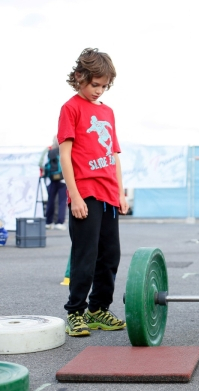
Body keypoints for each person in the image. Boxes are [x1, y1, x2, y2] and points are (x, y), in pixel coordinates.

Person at [58, 48, 128, 337]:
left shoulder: (107, 112)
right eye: (94, 84)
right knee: (85, 256)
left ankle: (98, 309)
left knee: (110, 255)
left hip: (109, 194)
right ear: (79, 77)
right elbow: (65, 154)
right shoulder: (71, 108)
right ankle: (75, 311)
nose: (99, 91)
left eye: (104, 86)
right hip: (85, 193)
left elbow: (114, 154)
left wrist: (121, 193)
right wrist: (74, 195)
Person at [42, 135, 68, 230]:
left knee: (51, 200)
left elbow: (42, 163)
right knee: (62, 201)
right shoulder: (64, 150)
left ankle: (49, 222)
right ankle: (59, 222)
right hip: (63, 179)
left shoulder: (48, 151)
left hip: (51, 179)